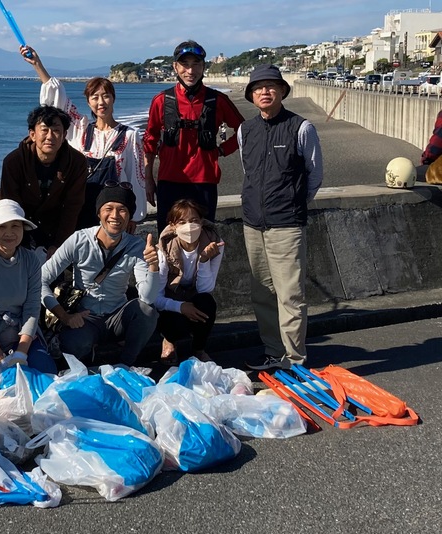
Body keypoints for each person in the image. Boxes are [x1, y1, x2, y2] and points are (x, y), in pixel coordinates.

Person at [237, 65, 323, 371]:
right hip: (252, 224)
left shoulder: (301, 128)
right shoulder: (245, 130)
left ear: (283, 91)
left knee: (290, 297)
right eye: (258, 87)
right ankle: (273, 352)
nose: (264, 91)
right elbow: (249, 172)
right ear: (251, 94)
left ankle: (295, 361)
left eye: (271, 86)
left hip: (286, 225)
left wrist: (292, 203)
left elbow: (315, 175)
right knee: (262, 294)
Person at [20, 45, 148, 229]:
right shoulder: (80, 129)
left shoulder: (129, 135)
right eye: (95, 97)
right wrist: (37, 65)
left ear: (113, 98)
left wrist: (134, 216)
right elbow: (58, 100)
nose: (101, 102)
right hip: (79, 211)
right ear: (88, 102)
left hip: (113, 214)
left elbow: (136, 178)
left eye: (106, 96)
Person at [41, 185, 159, 366]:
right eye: (108, 208)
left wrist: (153, 266)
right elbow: (40, 280)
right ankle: (89, 355)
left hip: (118, 315)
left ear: (130, 216)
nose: (115, 216)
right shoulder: (78, 240)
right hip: (85, 317)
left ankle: (126, 364)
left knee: (147, 312)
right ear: (98, 213)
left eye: (122, 210)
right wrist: (64, 316)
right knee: (73, 345)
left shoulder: (137, 246)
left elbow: (148, 298)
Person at [143, 40, 245, 234]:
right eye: (185, 64)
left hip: (204, 182)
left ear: (203, 66)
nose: (190, 71)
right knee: (168, 238)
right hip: (169, 181)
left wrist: (222, 150)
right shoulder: (161, 100)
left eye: (196, 64)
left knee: (204, 238)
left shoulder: (217, 100)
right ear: (175, 67)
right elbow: (150, 140)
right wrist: (148, 179)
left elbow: (243, 130)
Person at [0, 199, 58, 376]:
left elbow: (32, 309)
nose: (9, 232)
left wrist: (21, 353)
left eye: (15, 226)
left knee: (46, 374)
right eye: (2, 226)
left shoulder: (31, 260)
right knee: (1, 383)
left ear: (23, 228)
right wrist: (1, 359)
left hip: (22, 337)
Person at [0, 105, 87, 256]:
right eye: (44, 130)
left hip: (58, 225)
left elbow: (73, 206)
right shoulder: (14, 162)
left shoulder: (77, 162)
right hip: (23, 225)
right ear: (33, 134)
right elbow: (10, 204)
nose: (50, 136)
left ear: (64, 135)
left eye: (56, 130)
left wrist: (59, 244)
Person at [153, 199, 224, 364]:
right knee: (168, 320)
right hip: (171, 299)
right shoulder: (165, 248)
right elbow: (156, 297)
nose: (189, 227)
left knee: (207, 303)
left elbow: (206, 288)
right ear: (173, 226)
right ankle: (169, 340)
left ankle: (199, 349)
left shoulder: (214, 243)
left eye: (194, 221)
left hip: (194, 295)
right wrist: (181, 307)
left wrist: (204, 260)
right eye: (182, 222)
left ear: (202, 222)